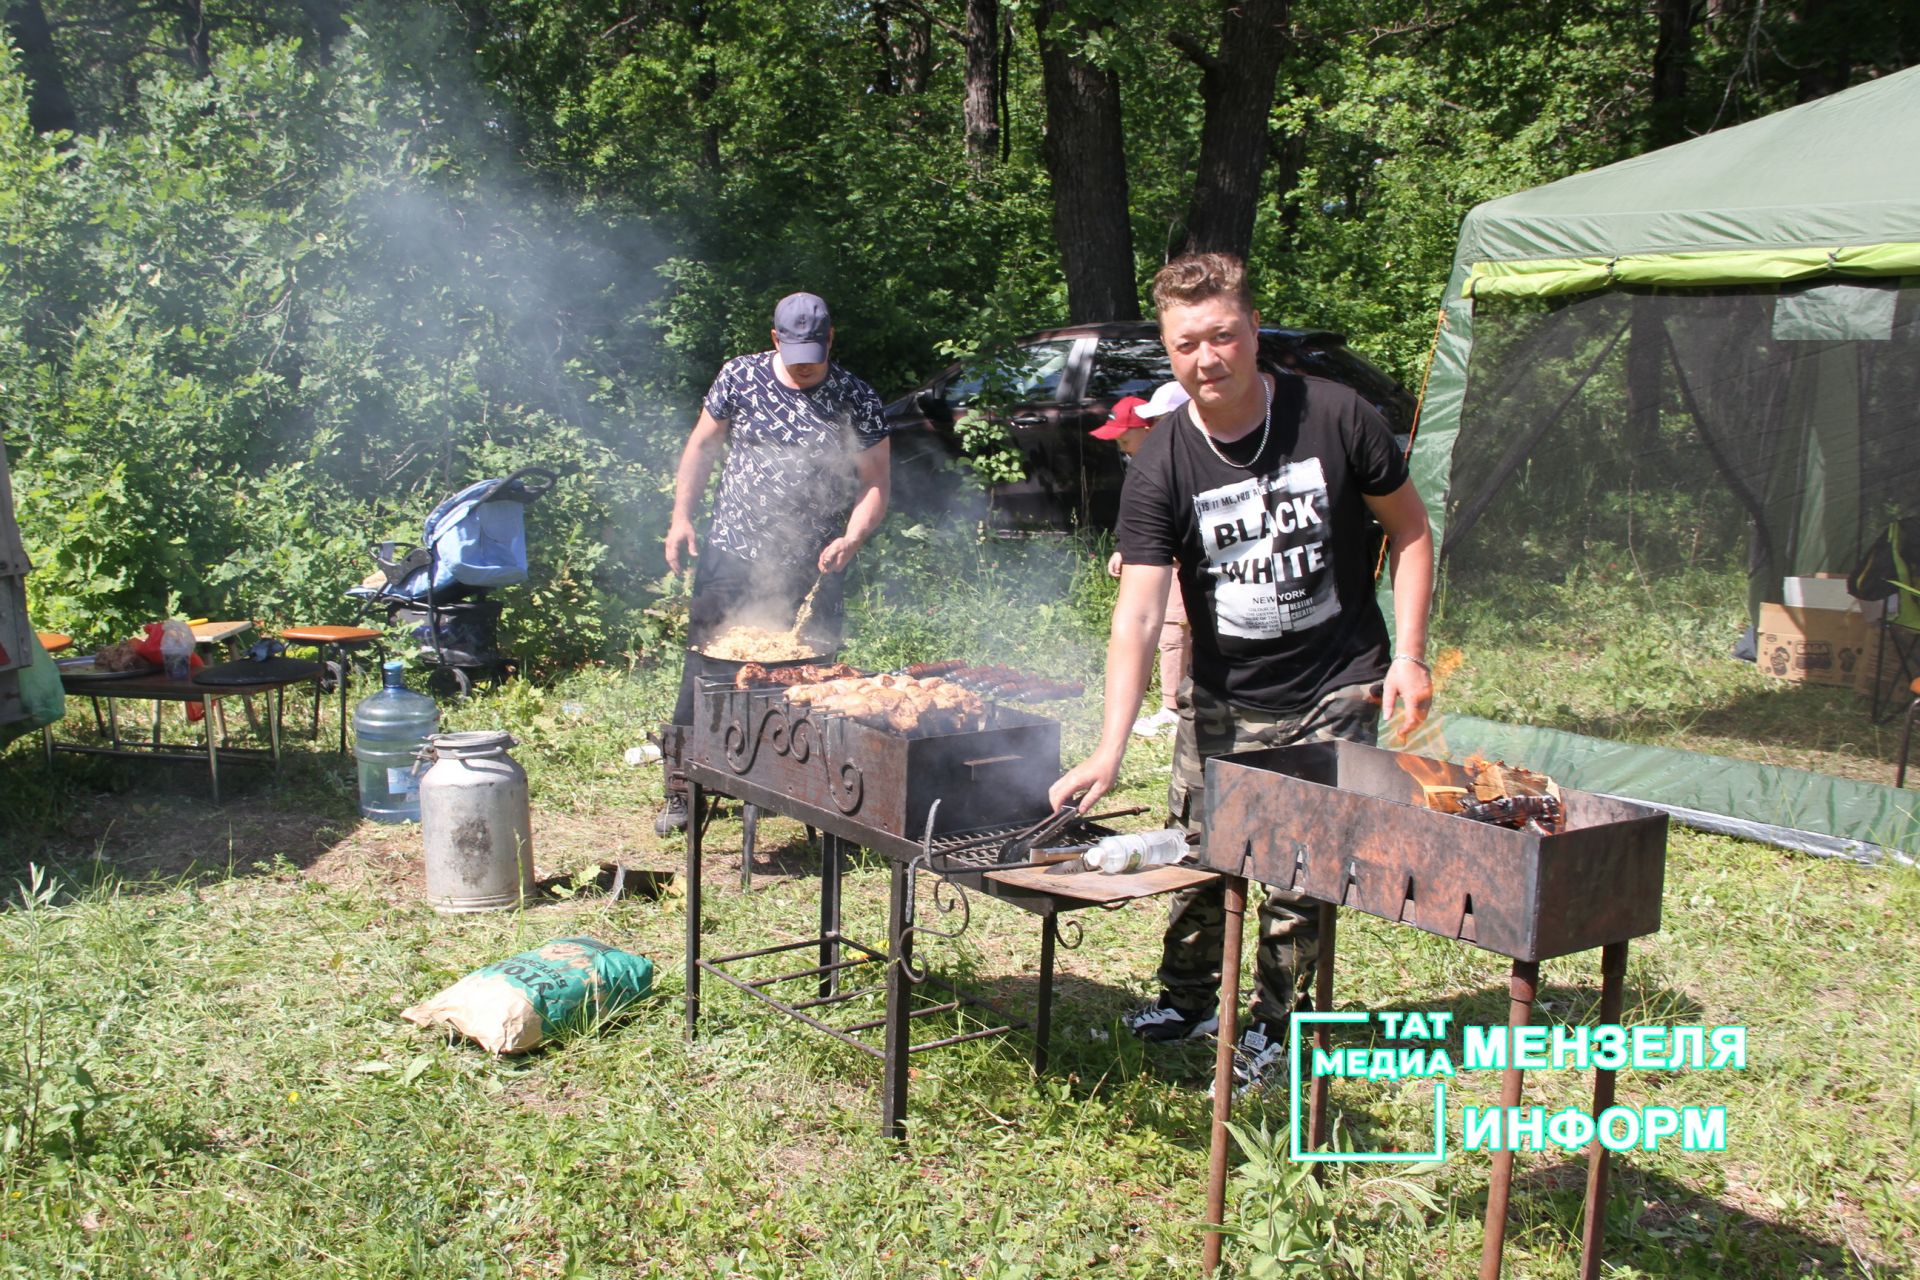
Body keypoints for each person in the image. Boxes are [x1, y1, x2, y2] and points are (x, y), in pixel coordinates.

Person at [1048, 252, 1434, 1096]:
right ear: (1168, 349)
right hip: (1223, 694)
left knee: (1302, 869)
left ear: (1254, 332)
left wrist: (1407, 653)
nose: (1207, 358)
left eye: (1223, 335)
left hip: (1337, 679)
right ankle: (1188, 1001)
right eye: (1187, 343)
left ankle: (1277, 1028)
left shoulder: (1336, 417)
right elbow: (1140, 615)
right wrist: (1110, 750)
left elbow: (1409, 531)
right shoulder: (1162, 463)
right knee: (1202, 850)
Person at [654, 292, 891, 835]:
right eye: (794, 352)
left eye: (815, 352)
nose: (805, 365)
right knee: (705, 667)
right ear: (774, 338)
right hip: (733, 552)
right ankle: (682, 787)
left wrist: (853, 537)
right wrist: (681, 518)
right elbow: (701, 447)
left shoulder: (857, 397)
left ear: (831, 339)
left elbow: (876, 482)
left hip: (816, 565)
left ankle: (801, 786)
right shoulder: (739, 377)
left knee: (812, 674)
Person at [1090, 382, 1194, 737]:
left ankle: (1173, 708)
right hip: (1168, 556)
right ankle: (1175, 703)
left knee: (1173, 627)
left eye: (1124, 438)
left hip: (1180, 560)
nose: (1120, 447)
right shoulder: (1149, 462)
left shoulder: (1175, 458)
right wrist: (1125, 546)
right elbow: (1141, 517)